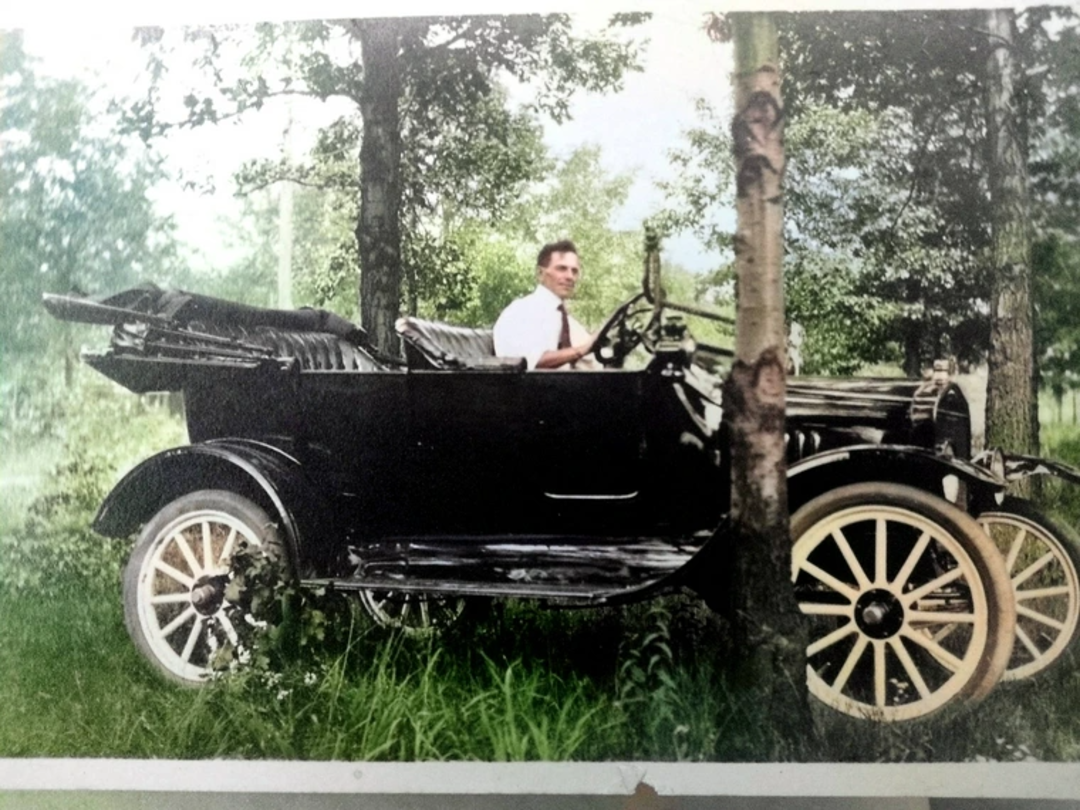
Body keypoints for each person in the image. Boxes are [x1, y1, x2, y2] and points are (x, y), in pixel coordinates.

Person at [493, 240, 595, 369]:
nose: (570, 276)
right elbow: (529, 362)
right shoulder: (520, 312)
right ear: (540, 273)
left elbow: (595, 358)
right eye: (561, 268)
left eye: (574, 271)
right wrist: (580, 350)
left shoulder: (571, 324)